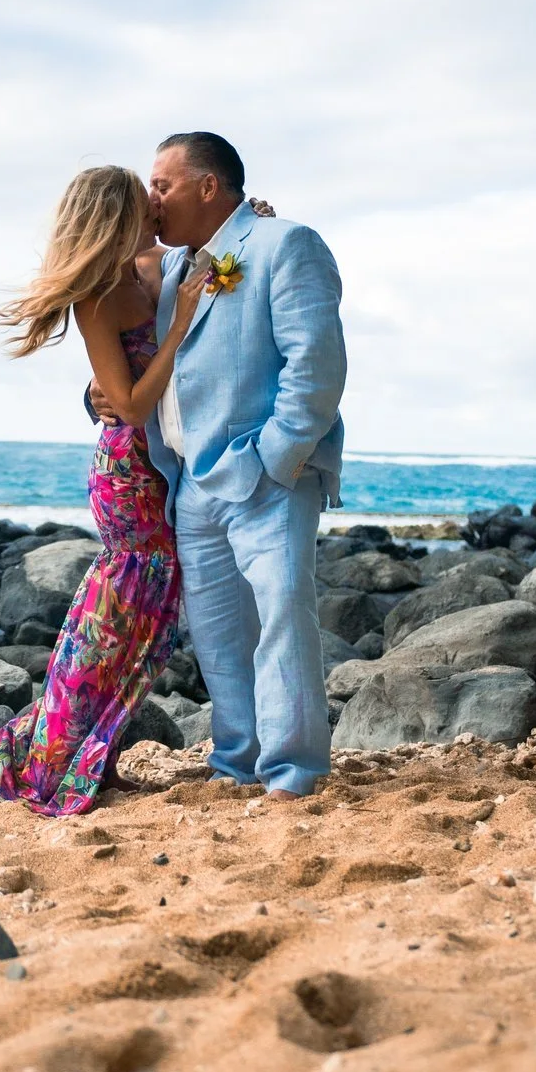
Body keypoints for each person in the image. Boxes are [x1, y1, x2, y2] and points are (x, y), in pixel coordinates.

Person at [115, 131, 346, 801]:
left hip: (267, 476)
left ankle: (293, 772)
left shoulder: (284, 245)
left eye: (162, 184)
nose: (152, 198)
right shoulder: (169, 273)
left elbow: (316, 364)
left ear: (208, 187)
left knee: (282, 619)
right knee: (217, 637)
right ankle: (237, 762)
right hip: (190, 481)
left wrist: (279, 457)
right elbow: (140, 361)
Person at [0, 166, 209, 816]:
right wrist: (180, 326)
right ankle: (53, 759)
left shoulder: (151, 267)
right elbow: (133, 406)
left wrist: (256, 225)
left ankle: (87, 753)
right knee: (111, 628)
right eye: (146, 203)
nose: (157, 209)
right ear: (117, 217)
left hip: (157, 469)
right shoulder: (98, 298)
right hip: (128, 476)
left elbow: (216, 255)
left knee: (135, 626)